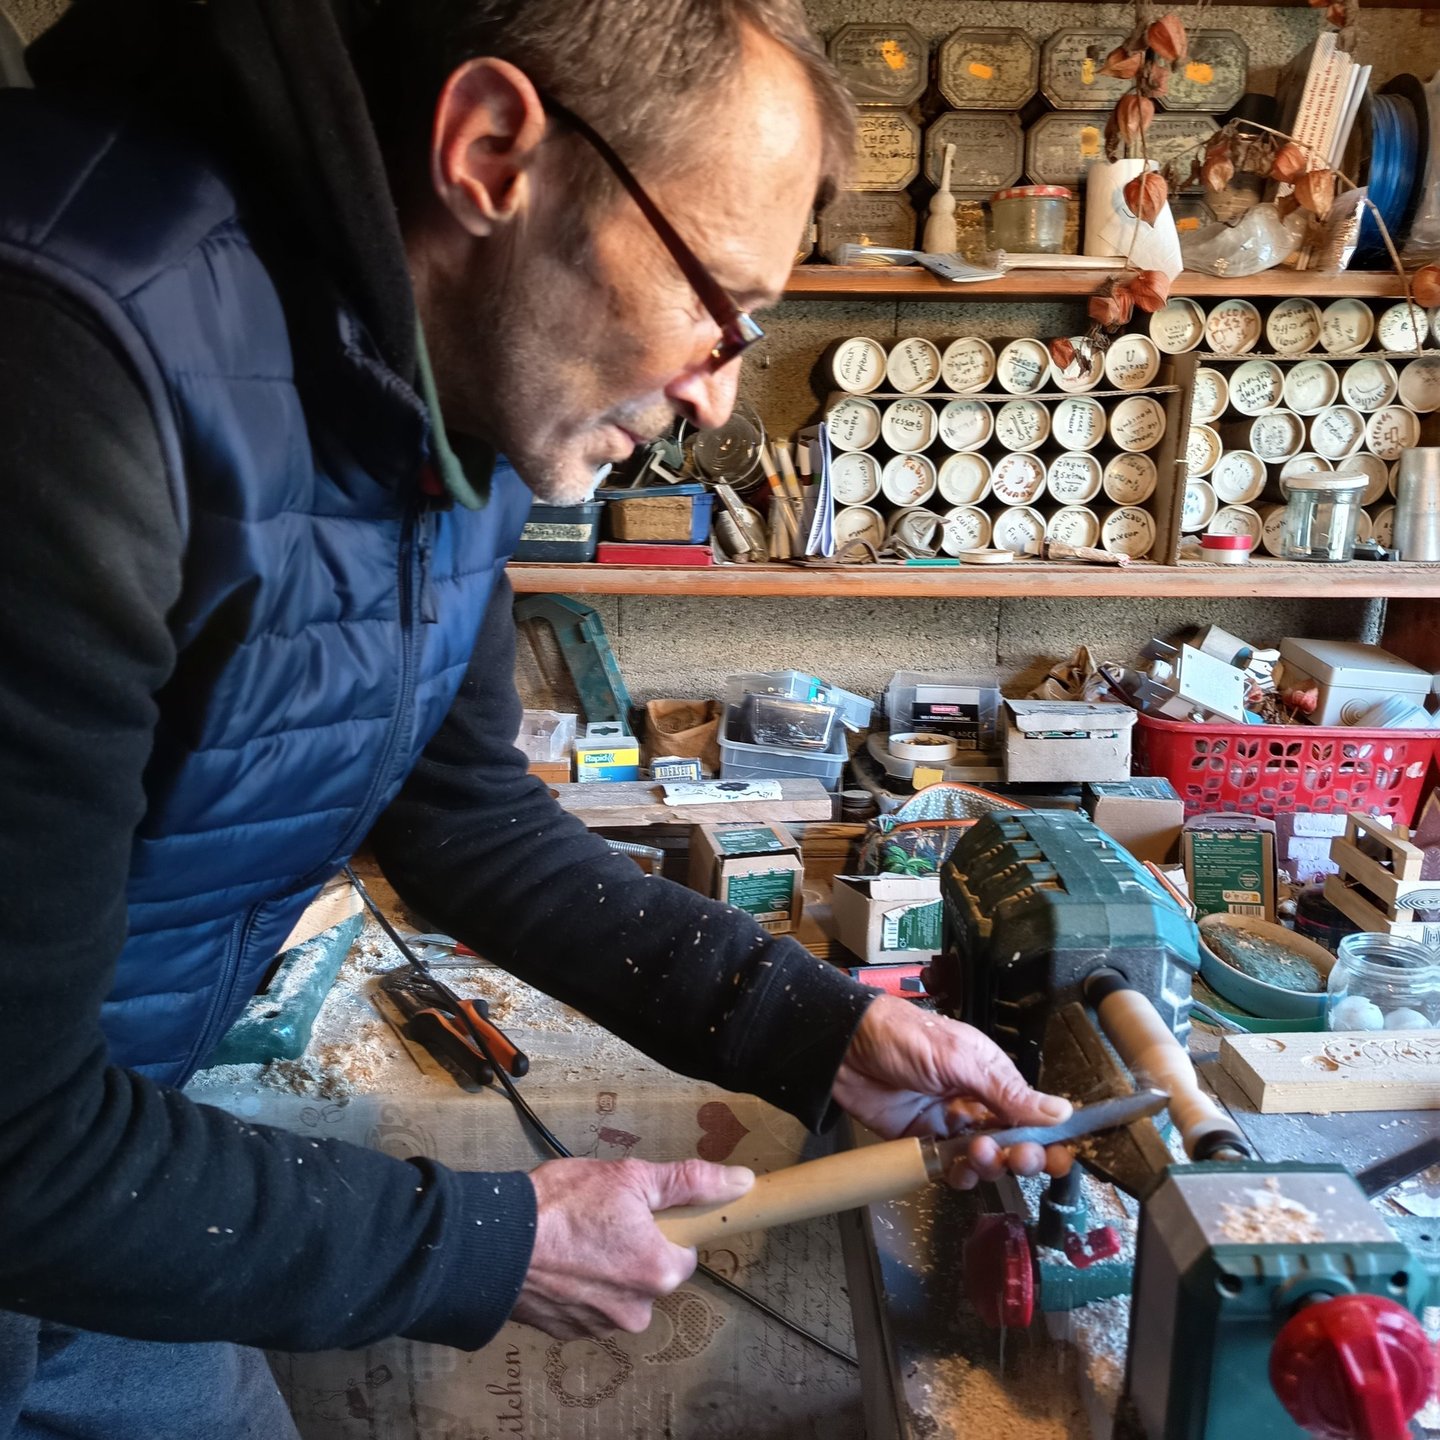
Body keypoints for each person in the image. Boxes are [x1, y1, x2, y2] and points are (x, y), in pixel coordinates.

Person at [0, 2, 1073, 1436]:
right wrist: (486, 1241)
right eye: (715, 301)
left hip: (80, 1216)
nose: (717, 394)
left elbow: (467, 820)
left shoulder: (447, 394)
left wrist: (815, 1032)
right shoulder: (66, 363)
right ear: (492, 152)